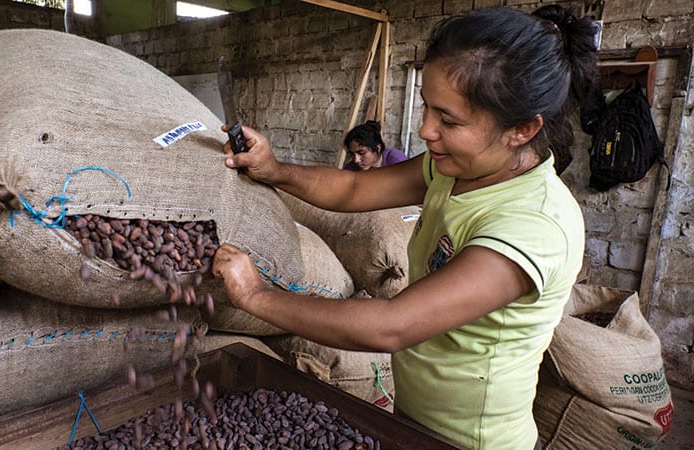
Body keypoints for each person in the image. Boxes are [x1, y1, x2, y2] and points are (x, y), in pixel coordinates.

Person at [213, 5, 598, 450]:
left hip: (472, 441)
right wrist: (275, 170)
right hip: (413, 420)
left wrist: (256, 296)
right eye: (428, 108)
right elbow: (354, 193)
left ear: (522, 129)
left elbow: (392, 325)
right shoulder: (457, 169)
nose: (426, 130)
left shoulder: (533, 223)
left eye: (449, 120)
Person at [342, 120, 407, 171]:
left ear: (378, 148)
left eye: (361, 153)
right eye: (352, 154)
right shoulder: (351, 169)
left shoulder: (396, 160)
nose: (356, 160)